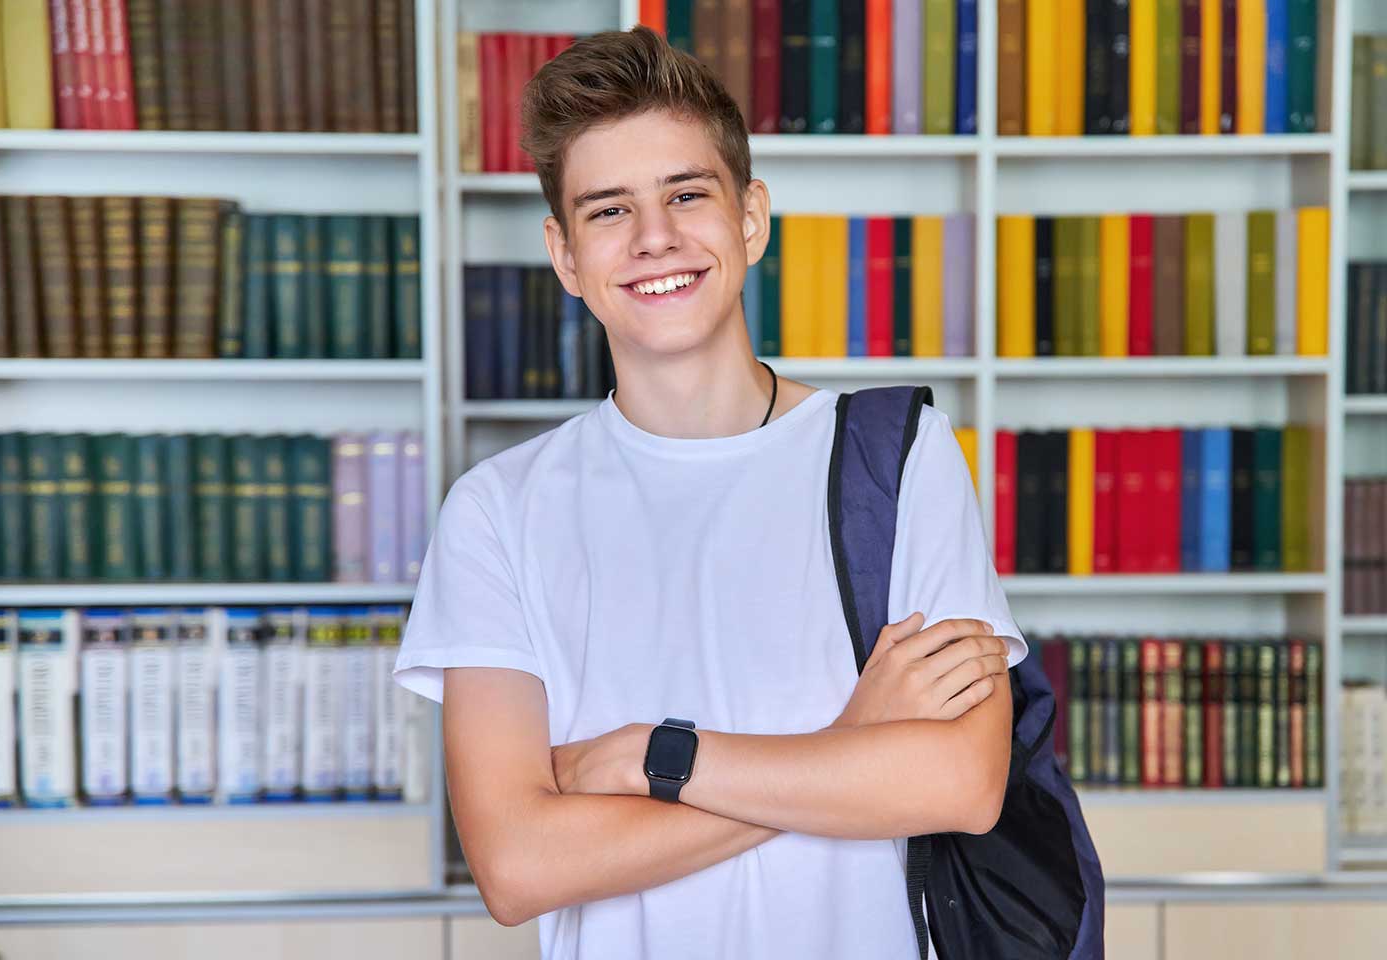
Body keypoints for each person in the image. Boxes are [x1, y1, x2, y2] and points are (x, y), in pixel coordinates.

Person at [393, 24, 1029, 960]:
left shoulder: (897, 459)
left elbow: (961, 786)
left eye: (686, 194)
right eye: (608, 211)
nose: (656, 239)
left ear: (750, 218)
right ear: (566, 256)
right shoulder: (498, 510)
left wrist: (653, 757)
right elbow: (517, 867)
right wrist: (848, 746)